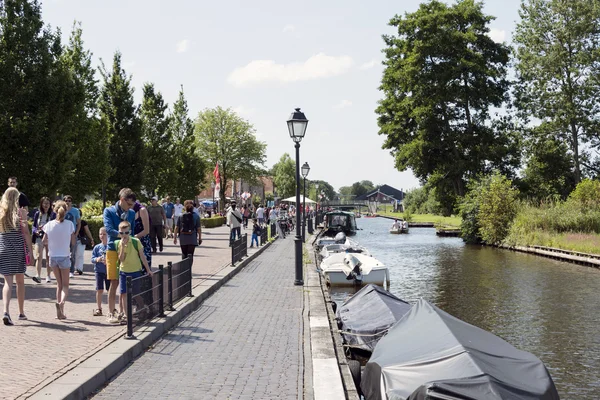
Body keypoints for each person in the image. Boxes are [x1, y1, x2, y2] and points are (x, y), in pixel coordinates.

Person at [103, 188, 136, 323]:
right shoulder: (109, 211)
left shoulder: (132, 213)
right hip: (112, 249)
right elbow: (109, 229)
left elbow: (132, 232)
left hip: (127, 249)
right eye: (128, 204)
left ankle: (123, 312)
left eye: (132, 205)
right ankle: (111, 312)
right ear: (122, 200)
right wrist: (123, 236)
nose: (130, 207)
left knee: (125, 282)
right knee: (114, 281)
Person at [0, 188, 33, 325]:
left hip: (3, 247)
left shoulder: (1, 213)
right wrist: (30, 251)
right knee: (20, 281)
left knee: (7, 282)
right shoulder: (21, 212)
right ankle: (21, 312)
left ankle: (5, 311)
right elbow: (25, 233)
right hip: (17, 248)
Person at [43, 200, 75, 320]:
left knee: (59, 284)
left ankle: (59, 311)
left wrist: (51, 244)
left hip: (53, 256)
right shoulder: (69, 224)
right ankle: (61, 304)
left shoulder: (49, 225)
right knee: (65, 285)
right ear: (65, 211)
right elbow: (72, 242)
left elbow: (43, 241)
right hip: (64, 256)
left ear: (54, 210)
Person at [116, 221, 152, 324]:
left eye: (126, 233)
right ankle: (128, 316)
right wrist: (122, 247)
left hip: (135, 271)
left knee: (136, 293)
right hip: (124, 271)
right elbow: (121, 259)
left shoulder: (136, 241)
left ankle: (142, 307)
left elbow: (142, 256)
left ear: (130, 232)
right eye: (122, 233)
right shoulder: (119, 243)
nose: (124, 235)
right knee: (123, 293)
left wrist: (148, 270)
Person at [32, 197, 55, 283]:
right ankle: (38, 275)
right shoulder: (38, 213)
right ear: (41, 204)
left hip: (49, 237)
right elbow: (34, 226)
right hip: (39, 237)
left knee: (49, 256)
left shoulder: (53, 214)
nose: (46, 205)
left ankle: (48, 275)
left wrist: (46, 228)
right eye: (44, 203)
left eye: (48, 203)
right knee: (39, 256)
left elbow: (55, 225)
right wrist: (36, 231)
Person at [91, 227, 109, 316]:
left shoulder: (110, 246)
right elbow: (92, 259)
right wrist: (97, 259)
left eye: (104, 234)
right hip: (99, 271)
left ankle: (111, 308)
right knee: (99, 289)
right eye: (100, 234)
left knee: (110, 290)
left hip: (109, 271)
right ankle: (99, 308)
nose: (102, 236)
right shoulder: (97, 247)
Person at [63, 195, 81, 278]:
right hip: (63, 235)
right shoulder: (62, 210)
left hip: (72, 234)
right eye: (66, 200)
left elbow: (79, 223)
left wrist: (76, 233)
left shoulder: (75, 211)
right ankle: (63, 269)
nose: (68, 202)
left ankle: (71, 270)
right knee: (63, 253)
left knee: (72, 254)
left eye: (69, 200)